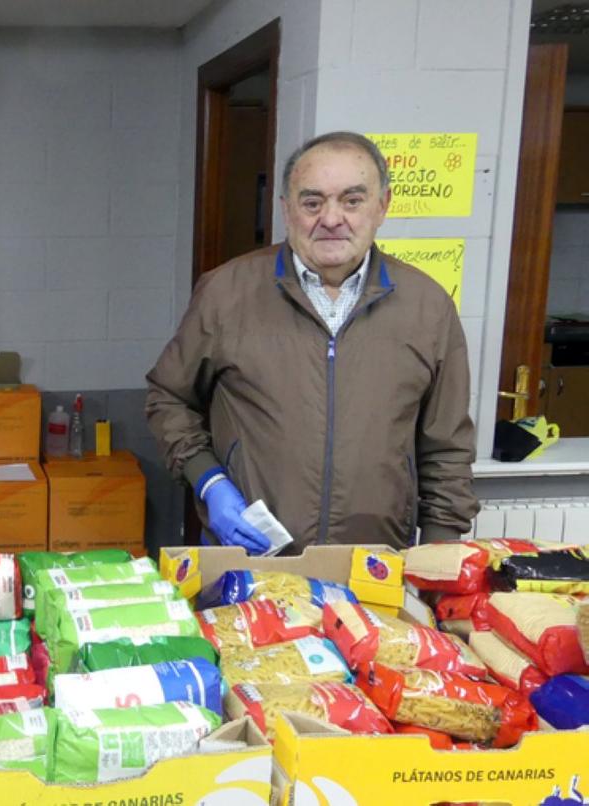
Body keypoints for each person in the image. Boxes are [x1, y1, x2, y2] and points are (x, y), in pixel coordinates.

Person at [146, 131, 479, 554]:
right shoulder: (226, 293)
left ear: (383, 206)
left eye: (352, 200)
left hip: (375, 564)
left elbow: (447, 448)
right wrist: (210, 481)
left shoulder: (428, 307)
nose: (332, 218)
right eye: (312, 202)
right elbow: (168, 398)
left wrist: (437, 557)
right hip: (251, 560)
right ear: (287, 210)